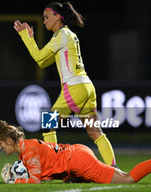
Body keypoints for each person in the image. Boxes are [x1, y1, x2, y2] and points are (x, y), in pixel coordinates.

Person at [13, 1, 117, 167]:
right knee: (95, 132)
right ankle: (114, 168)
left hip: (74, 87)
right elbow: (43, 62)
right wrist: (31, 39)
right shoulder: (68, 35)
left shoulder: (61, 36)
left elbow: (39, 57)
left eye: (47, 17)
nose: (45, 21)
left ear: (58, 17)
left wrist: (25, 36)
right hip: (87, 87)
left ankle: (55, 166)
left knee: (48, 124)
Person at [0, 120, 151, 184]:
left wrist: (14, 180)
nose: (0, 147)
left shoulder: (29, 151)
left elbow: (35, 180)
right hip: (74, 157)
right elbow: (46, 174)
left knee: (127, 179)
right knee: (69, 183)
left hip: (78, 161)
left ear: (9, 140)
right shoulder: (26, 150)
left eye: (1, 143)